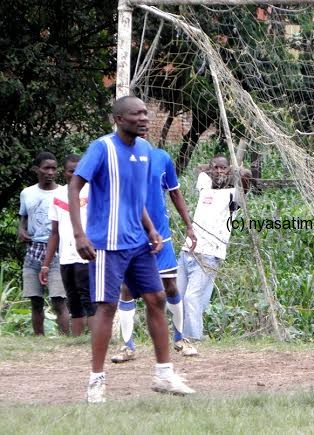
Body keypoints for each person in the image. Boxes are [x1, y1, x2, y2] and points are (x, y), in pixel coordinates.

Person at [69, 96, 194, 403]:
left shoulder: (146, 151)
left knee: (157, 298)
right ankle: (96, 381)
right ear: (119, 119)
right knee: (108, 307)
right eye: (137, 113)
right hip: (107, 244)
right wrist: (79, 234)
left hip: (139, 242)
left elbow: (133, 199)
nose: (144, 118)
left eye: (145, 113)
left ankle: (164, 374)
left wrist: (151, 228)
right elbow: (74, 187)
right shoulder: (102, 148)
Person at [111, 132, 198, 363]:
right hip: (131, 235)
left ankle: (180, 338)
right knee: (127, 289)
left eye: (142, 130)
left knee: (170, 286)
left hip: (161, 236)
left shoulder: (162, 158)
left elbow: (175, 193)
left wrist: (189, 226)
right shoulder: (118, 158)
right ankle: (127, 346)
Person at [177, 156, 251, 348]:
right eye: (215, 168)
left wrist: (238, 171)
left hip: (210, 254)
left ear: (229, 171)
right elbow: (201, 172)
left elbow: (247, 180)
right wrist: (210, 168)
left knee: (192, 298)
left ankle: (192, 340)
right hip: (188, 251)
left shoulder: (232, 197)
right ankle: (181, 338)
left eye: (223, 168)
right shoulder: (204, 188)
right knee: (178, 297)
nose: (219, 171)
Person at [39, 155, 95, 336]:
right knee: (73, 300)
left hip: (87, 256)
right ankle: (77, 340)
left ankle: (95, 338)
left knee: (89, 299)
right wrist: (46, 264)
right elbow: (54, 233)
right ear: (65, 173)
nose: (75, 174)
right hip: (65, 257)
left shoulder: (92, 192)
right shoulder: (57, 195)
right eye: (71, 171)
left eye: (79, 171)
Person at [18, 151, 69, 335]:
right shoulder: (27, 193)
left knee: (59, 299)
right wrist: (22, 230)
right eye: (46, 168)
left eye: (54, 168)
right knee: (35, 299)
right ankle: (39, 338)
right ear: (36, 169)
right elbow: (23, 217)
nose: (50, 172)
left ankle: (66, 339)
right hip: (33, 251)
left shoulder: (63, 192)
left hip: (56, 251)